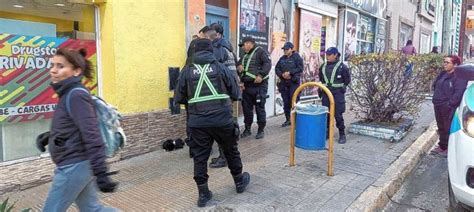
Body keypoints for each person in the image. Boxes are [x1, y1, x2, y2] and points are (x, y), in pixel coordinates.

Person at [174, 38, 250, 207]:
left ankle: (203, 194)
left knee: (200, 157)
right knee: (231, 151)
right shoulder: (220, 67)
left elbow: (178, 98)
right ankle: (239, 182)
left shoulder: (186, 71)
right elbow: (236, 93)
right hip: (222, 119)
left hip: (198, 122)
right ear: (211, 51)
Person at [39, 48, 118, 211]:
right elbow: (73, 126)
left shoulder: (76, 94)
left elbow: (92, 134)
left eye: (60, 66)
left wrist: (101, 171)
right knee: (92, 209)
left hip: (74, 164)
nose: (53, 70)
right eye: (52, 65)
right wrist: (50, 136)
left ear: (76, 71)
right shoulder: (68, 93)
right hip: (79, 162)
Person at [206, 24, 238, 168]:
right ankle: (224, 155)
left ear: (217, 35)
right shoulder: (228, 47)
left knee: (221, 127)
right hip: (229, 91)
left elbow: (216, 72)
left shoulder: (218, 49)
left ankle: (224, 157)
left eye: (208, 36)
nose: (207, 38)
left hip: (222, 92)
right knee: (226, 124)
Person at [430, 55, 468, 157]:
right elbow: (436, 86)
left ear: (455, 65)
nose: (444, 64)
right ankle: (442, 146)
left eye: (447, 62)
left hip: (448, 107)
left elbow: (458, 93)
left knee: (448, 128)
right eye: (444, 62)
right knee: (441, 127)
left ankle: (449, 148)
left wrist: (449, 104)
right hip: (438, 104)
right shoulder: (443, 74)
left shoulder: (459, 77)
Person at [237, 37, 272, 139]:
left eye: (243, 45)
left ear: (249, 43)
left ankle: (261, 130)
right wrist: (239, 68)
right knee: (247, 109)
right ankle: (247, 129)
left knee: (260, 108)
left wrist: (261, 75)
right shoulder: (244, 55)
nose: (243, 48)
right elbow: (239, 64)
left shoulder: (261, 52)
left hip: (259, 86)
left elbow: (267, 64)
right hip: (247, 86)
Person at [318, 47, 351, 144]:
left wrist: (341, 88)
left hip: (337, 94)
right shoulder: (323, 66)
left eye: (329, 54)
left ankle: (342, 134)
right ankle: (327, 132)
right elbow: (321, 78)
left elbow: (347, 80)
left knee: (338, 115)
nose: (327, 56)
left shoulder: (342, 67)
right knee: (327, 114)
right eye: (326, 54)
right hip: (326, 94)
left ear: (335, 55)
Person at [275, 42, 303, 127]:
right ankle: (288, 119)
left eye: (287, 49)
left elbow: (300, 68)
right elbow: (277, 68)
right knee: (286, 102)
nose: (285, 51)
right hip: (284, 83)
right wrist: (282, 74)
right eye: (284, 49)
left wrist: (290, 73)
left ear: (291, 49)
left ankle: (296, 121)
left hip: (293, 83)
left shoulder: (297, 57)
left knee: (294, 102)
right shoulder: (282, 58)